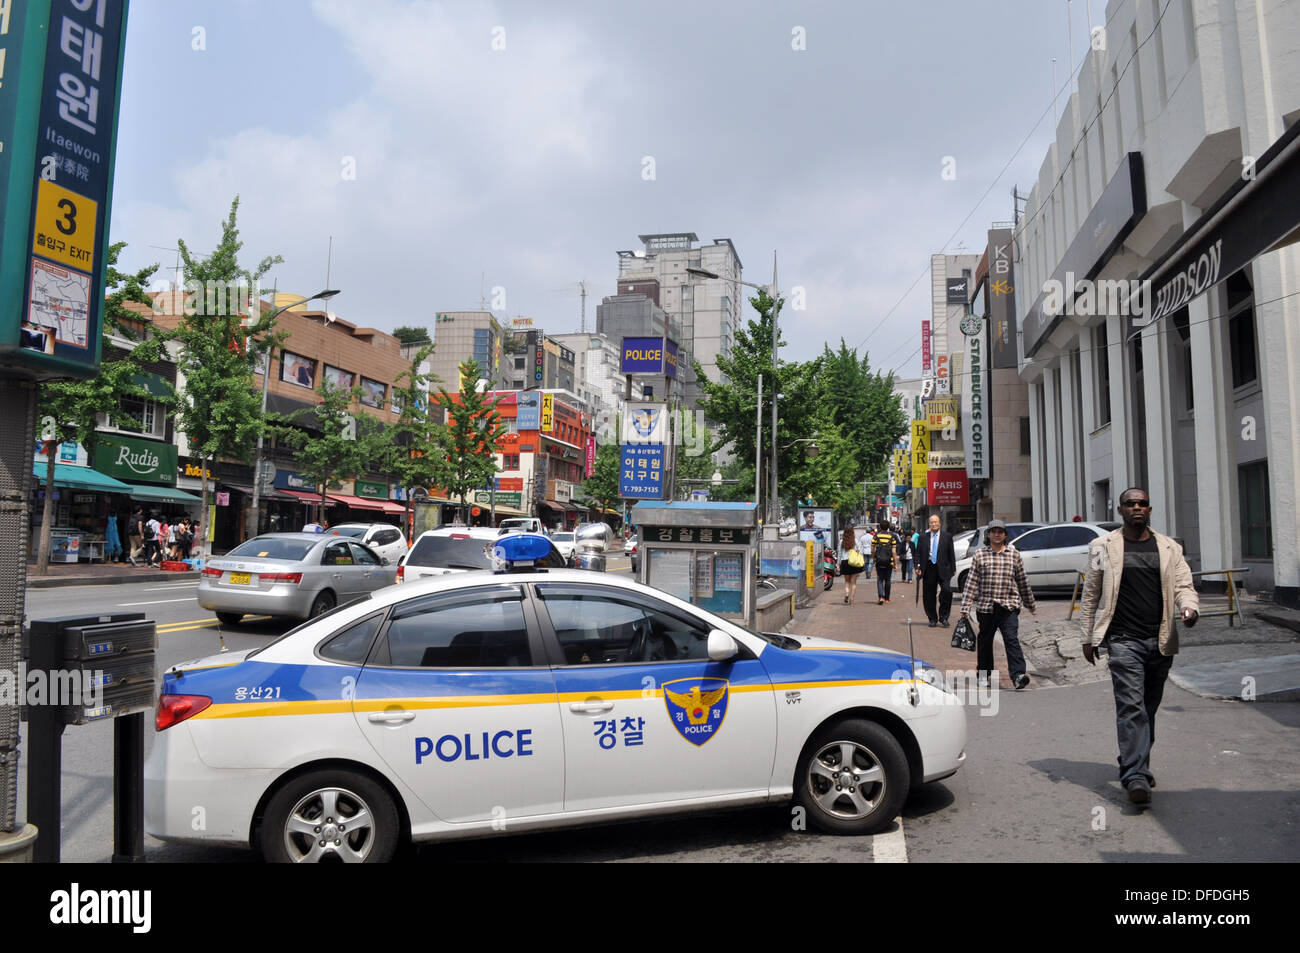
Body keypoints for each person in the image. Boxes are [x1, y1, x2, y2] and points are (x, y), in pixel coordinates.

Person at [1079, 487, 1199, 805]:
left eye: (1142, 503)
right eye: (1130, 503)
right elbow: (1090, 594)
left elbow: (1185, 585)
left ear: (1149, 509)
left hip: (1159, 641)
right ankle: (1135, 775)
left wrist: (1189, 608)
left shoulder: (1169, 547)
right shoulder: (1102, 546)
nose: (1136, 508)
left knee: (1148, 708)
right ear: (1120, 511)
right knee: (1131, 708)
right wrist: (1087, 637)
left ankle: (1137, 763)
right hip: (1123, 642)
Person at [959, 519, 1036, 690]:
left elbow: (1022, 580)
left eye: (1000, 532)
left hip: (1009, 606)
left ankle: (1018, 675)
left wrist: (1030, 603)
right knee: (985, 642)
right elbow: (972, 581)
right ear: (988, 534)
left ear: (1005, 535)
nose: (996, 534)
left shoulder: (1013, 554)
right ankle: (984, 675)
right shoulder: (980, 555)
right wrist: (965, 607)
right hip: (986, 607)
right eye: (993, 531)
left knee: (1011, 639)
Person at [917, 514, 957, 627]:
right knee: (929, 595)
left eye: (935, 522)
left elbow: (951, 553)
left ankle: (944, 617)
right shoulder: (923, 537)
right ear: (929, 524)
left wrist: (953, 568)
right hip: (928, 567)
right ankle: (932, 618)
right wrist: (917, 567)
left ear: (940, 523)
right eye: (931, 522)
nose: (933, 524)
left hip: (944, 568)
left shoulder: (947, 536)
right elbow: (917, 553)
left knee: (946, 591)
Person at [872, 521, 899, 604]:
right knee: (888, 580)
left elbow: (872, 550)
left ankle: (880, 597)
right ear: (888, 527)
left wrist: (874, 559)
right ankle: (887, 598)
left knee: (880, 579)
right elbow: (894, 552)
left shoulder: (876, 536)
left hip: (879, 561)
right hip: (889, 562)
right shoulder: (892, 536)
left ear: (880, 526)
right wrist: (895, 564)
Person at [838, 525, 865, 606]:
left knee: (847, 581)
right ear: (852, 531)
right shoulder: (855, 540)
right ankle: (852, 599)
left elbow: (839, 553)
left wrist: (838, 563)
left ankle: (846, 594)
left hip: (844, 562)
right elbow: (860, 551)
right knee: (853, 583)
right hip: (853, 562)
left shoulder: (841, 541)